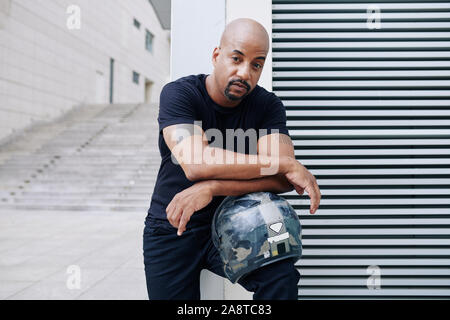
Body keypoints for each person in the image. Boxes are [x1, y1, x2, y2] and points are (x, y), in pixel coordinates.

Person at [143, 18, 321, 300]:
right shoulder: (180, 94)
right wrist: (285, 163)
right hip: (173, 224)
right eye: (236, 58)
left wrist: (212, 188)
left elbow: (282, 180)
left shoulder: (267, 105)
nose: (244, 72)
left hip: (241, 222)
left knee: (281, 279)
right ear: (217, 56)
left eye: (256, 64)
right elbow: (196, 162)